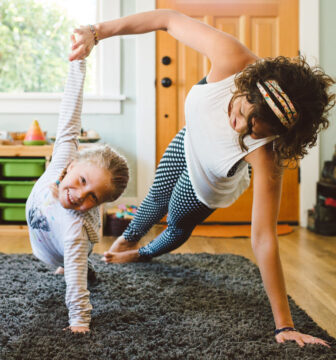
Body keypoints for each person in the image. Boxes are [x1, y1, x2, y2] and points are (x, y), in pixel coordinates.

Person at [68, 10, 335, 346]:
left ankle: (144, 253)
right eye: (240, 112)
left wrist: (284, 325)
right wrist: (97, 31)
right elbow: (166, 18)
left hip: (209, 179)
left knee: (177, 222)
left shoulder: (268, 155)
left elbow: (264, 237)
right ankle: (128, 240)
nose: (239, 126)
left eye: (253, 131)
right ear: (246, 85)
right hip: (190, 138)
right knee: (154, 197)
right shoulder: (233, 58)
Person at [26, 55, 129, 333]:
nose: (79, 195)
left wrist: (79, 322)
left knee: (76, 269)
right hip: (46, 241)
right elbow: (70, 114)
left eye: (93, 197)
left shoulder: (74, 232)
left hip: (63, 250)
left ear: (98, 205)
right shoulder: (63, 159)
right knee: (74, 263)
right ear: (72, 163)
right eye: (82, 180)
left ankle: (84, 266)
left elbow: (76, 288)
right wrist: (78, 64)